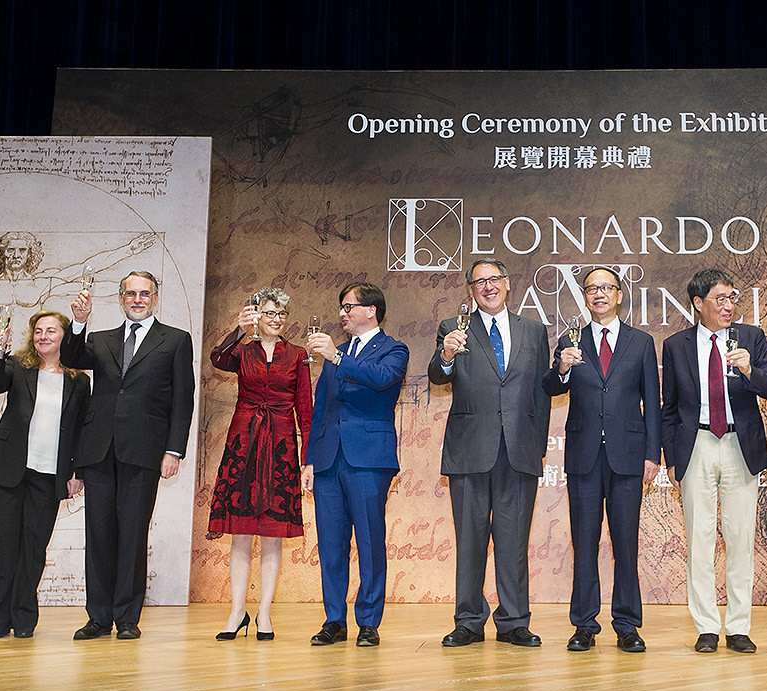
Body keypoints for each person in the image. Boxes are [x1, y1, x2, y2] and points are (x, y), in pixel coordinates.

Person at [63, 271, 196, 640]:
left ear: (155, 297)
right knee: (99, 534)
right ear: (120, 298)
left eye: (144, 293)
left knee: (133, 533)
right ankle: (98, 617)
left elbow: (183, 400)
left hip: (145, 450)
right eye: (130, 293)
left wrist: (174, 450)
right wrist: (79, 321)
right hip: (99, 449)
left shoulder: (175, 340)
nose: (137, 299)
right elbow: (72, 356)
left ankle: (126, 617)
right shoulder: (101, 339)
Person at [428, 259, 551, 648]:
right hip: (469, 449)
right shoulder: (454, 328)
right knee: (470, 539)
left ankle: (514, 621)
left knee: (514, 541)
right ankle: (468, 620)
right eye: (478, 282)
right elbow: (437, 374)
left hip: (519, 450)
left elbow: (542, 394)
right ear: (470, 291)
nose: (487, 286)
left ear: (508, 283)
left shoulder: (533, 331)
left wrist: (537, 443)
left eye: (493, 279)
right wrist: (447, 356)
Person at [542, 267, 660, 653]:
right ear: (585, 297)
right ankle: (584, 624)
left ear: (620, 295)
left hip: (627, 456)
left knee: (626, 544)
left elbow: (653, 405)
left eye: (606, 288)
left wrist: (652, 455)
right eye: (591, 289)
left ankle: (627, 624)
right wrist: (562, 366)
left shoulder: (641, 342)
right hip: (583, 456)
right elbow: (550, 386)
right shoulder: (570, 340)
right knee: (585, 543)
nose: (599, 295)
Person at [661, 268, 767, 654]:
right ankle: (707, 627)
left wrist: (749, 370)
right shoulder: (677, 345)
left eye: (733, 298)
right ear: (699, 303)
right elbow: (668, 407)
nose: (729, 306)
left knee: (741, 536)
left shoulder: (752, 338)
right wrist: (672, 458)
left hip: (738, 444)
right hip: (695, 444)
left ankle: (740, 626)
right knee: (699, 537)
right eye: (721, 299)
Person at [0, 310, 90, 639]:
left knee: (34, 548)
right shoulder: (17, 366)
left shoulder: (80, 380)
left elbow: (80, 429)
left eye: (51, 330)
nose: (43, 336)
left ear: (65, 336)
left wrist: (77, 471)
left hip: (50, 473)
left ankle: (23, 619)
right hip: (9, 468)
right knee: (3, 546)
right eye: (38, 330)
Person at [304, 282, 409, 647]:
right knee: (331, 545)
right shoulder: (339, 352)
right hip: (330, 459)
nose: (342, 313)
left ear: (371, 310)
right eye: (341, 306)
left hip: (369, 458)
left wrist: (336, 358)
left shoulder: (393, 349)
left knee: (369, 540)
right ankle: (334, 619)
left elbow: (381, 380)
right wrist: (309, 461)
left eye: (349, 306)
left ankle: (368, 620)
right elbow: (321, 409)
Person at [206, 288, 312, 641]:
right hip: (243, 443)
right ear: (256, 315)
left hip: (281, 445)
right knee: (240, 533)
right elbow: (216, 358)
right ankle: (237, 612)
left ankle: (264, 612)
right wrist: (238, 330)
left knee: (272, 536)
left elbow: (305, 410)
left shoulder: (297, 355)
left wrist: (307, 457)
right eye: (270, 313)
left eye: (281, 313)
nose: (277, 319)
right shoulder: (243, 351)